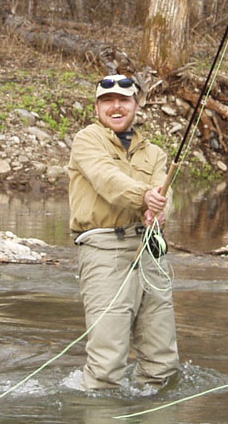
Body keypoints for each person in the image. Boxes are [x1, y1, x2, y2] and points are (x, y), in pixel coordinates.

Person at [68, 74, 179, 390]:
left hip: (149, 252)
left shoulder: (154, 152)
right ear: (97, 107)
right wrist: (144, 196)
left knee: (162, 364)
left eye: (123, 100)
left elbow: (163, 194)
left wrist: (158, 210)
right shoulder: (87, 140)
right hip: (103, 251)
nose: (115, 107)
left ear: (136, 105)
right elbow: (105, 178)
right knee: (108, 365)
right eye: (107, 101)